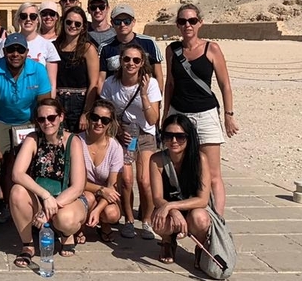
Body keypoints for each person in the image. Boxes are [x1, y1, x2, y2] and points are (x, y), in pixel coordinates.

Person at [163, 4, 239, 211]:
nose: (187, 25)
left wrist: (229, 115)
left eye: (192, 21)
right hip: (179, 115)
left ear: (200, 23)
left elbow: (225, 84)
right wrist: (165, 115)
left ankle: (217, 223)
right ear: (177, 25)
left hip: (205, 114)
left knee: (213, 174)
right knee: (177, 169)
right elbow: (170, 84)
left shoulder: (211, 48)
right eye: (182, 21)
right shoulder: (172, 50)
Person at [0, 33, 52, 232]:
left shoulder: (38, 70)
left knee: (30, 166)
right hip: (0, 120)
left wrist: (43, 135)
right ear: (4, 52)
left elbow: (44, 105)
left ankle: (31, 211)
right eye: (11, 50)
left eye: (20, 50)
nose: (15, 54)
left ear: (27, 52)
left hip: (27, 122)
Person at [9, 98, 87, 266]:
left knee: (66, 220)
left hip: (66, 199)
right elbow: (17, 173)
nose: (47, 123)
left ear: (61, 117)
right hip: (42, 197)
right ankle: (28, 244)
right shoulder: (33, 138)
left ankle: (66, 234)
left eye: (51, 118)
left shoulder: (73, 141)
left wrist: (51, 207)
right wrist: (45, 196)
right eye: (41, 119)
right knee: (17, 191)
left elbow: (78, 186)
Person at [101, 43, 162, 239]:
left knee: (144, 181)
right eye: (126, 59)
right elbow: (106, 112)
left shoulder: (150, 83)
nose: (131, 63)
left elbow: (153, 119)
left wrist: (143, 94)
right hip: (123, 134)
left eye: (136, 60)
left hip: (145, 134)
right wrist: (117, 131)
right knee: (126, 181)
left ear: (142, 62)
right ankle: (128, 219)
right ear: (120, 60)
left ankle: (147, 220)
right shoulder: (111, 83)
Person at [149, 114, 211, 265]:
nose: (174, 141)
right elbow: (157, 197)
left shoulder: (200, 159)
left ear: (189, 138)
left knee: (200, 219)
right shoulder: (156, 160)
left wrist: (171, 206)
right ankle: (167, 241)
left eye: (180, 136)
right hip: (169, 210)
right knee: (159, 220)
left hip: (193, 208)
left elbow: (202, 200)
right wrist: (172, 211)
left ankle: (200, 247)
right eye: (169, 136)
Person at [81, 99, 123, 242]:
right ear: (89, 117)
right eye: (95, 117)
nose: (99, 123)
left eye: (105, 120)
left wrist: (98, 210)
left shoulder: (115, 147)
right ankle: (80, 227)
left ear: (110, 123)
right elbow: (74, 181)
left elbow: (113, 186)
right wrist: (100, 189)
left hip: (105, 193)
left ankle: (104, 223)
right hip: (82, 190)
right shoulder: (77, 141)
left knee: (112, 214)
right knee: (89, 197)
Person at [53, 6, 100, 134]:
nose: (72, 26)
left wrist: (86, 113)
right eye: (69, 22)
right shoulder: (54, 47)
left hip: (79, 104)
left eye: (77, 24)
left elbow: (93, 83)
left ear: (83, 27)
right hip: (58, 102)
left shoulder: (88, 49)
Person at [98, 5, 164, 94]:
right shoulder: (105, 47)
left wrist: (157, 99)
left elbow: (158, 75)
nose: (122, 25)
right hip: (115, 98)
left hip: (144, 96)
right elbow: (101, 79)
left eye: (126, 21)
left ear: (133, 22)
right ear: (112, 23)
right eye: (118, 22)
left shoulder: (148, 43)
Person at [15, 2, 60, 94]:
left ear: (37, 20)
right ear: (19, 19)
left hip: (39, 97)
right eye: (24, 16)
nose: (28, 19)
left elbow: (52, 83)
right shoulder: (7, 43)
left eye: (33, 16)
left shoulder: (48, 46)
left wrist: (49, 105)